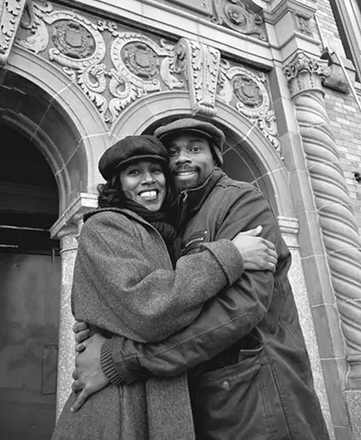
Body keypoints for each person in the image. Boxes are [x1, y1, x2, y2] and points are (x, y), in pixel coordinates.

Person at [70, 118, 330, 440]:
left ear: (216, 158)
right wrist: (104, 319)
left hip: (259, 396)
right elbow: (154, 298)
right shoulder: (172, 221)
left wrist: (122, 356)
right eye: (174, 152)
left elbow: (241, 308)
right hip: (205, 398)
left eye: (195, 149)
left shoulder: (240, 201)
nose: (182, 158)